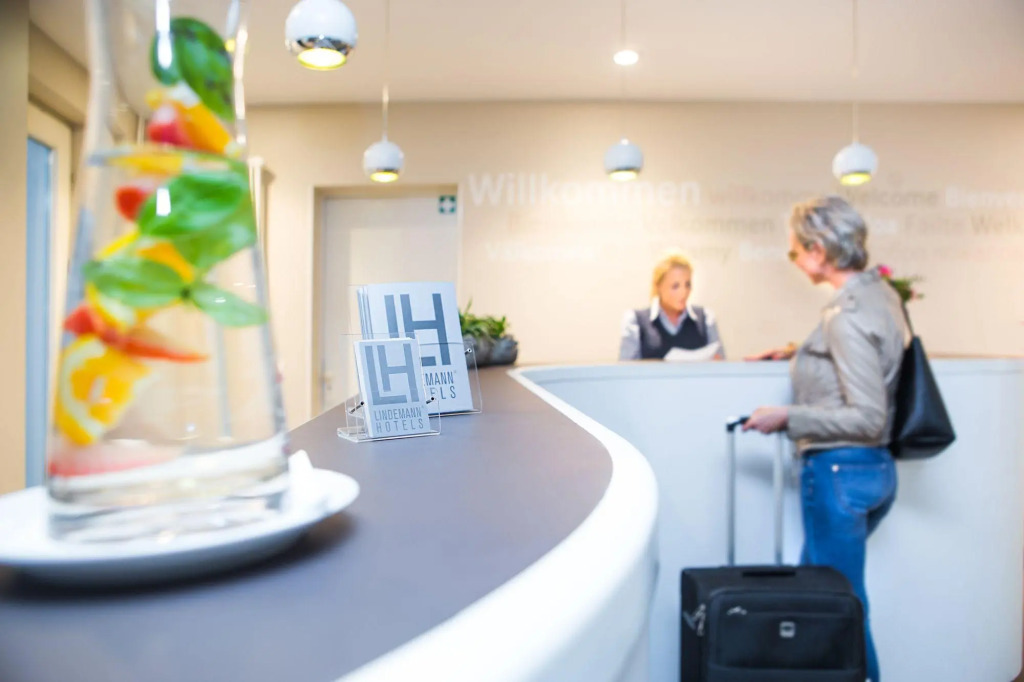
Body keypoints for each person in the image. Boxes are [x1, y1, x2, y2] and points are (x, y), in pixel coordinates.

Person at [744, 196, 908, 682]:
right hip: (871, 472)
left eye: (795, 250)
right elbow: (866, 358)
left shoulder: (846, 315)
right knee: (813, 596)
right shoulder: (879, 295)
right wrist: (803, 353)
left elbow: (868, 416)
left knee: (841, 607)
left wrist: (787, 416)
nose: (794, 259)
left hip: (840, 473)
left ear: (818, 250)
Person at [618, 251, 725, 360]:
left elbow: (721, 364)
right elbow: (626, 367)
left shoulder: (706, 318)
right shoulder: (636, 321)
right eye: (675, 286)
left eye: (687, 284)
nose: (683, 292)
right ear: (658, 286)